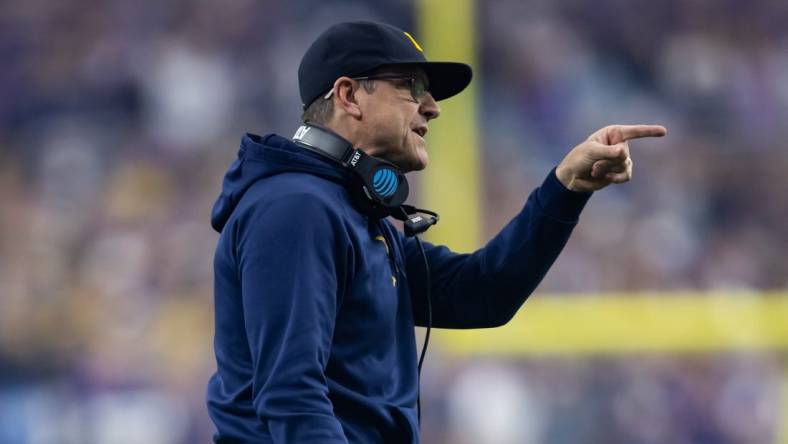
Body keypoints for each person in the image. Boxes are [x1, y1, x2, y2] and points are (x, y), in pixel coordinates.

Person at [205, 20, 666, 443]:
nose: (432, 107)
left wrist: (565, 189)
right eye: (412, 87)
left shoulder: (350, 213)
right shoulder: (296, 208)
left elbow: (483, 293)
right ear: (348, 95)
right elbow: (291, 396)